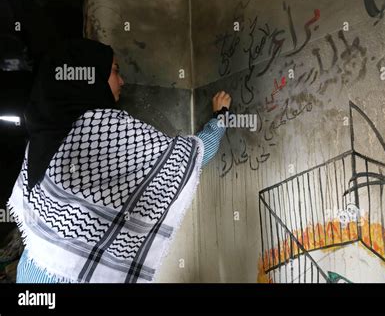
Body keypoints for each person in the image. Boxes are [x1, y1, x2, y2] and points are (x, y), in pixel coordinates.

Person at [7, 38, 231, 283]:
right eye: (114, 71)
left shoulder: (45, 132)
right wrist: (220, 119)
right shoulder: (104, 129)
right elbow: (186, 158)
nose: (121, 80)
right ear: (90, 74)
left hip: (31, 271)